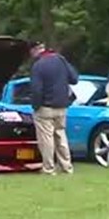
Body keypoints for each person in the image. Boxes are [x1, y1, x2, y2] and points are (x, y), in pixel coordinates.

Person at [29, 41, 78, 175]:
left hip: (45, 107)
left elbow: (36, 89)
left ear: (35, 50)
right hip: (62, 106)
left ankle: (49, 168)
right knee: (61, 135)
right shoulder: (60, 60)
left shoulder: (38, 66)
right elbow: (74, 79)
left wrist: (36, 106)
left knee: (46, 138)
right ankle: (67, 167)